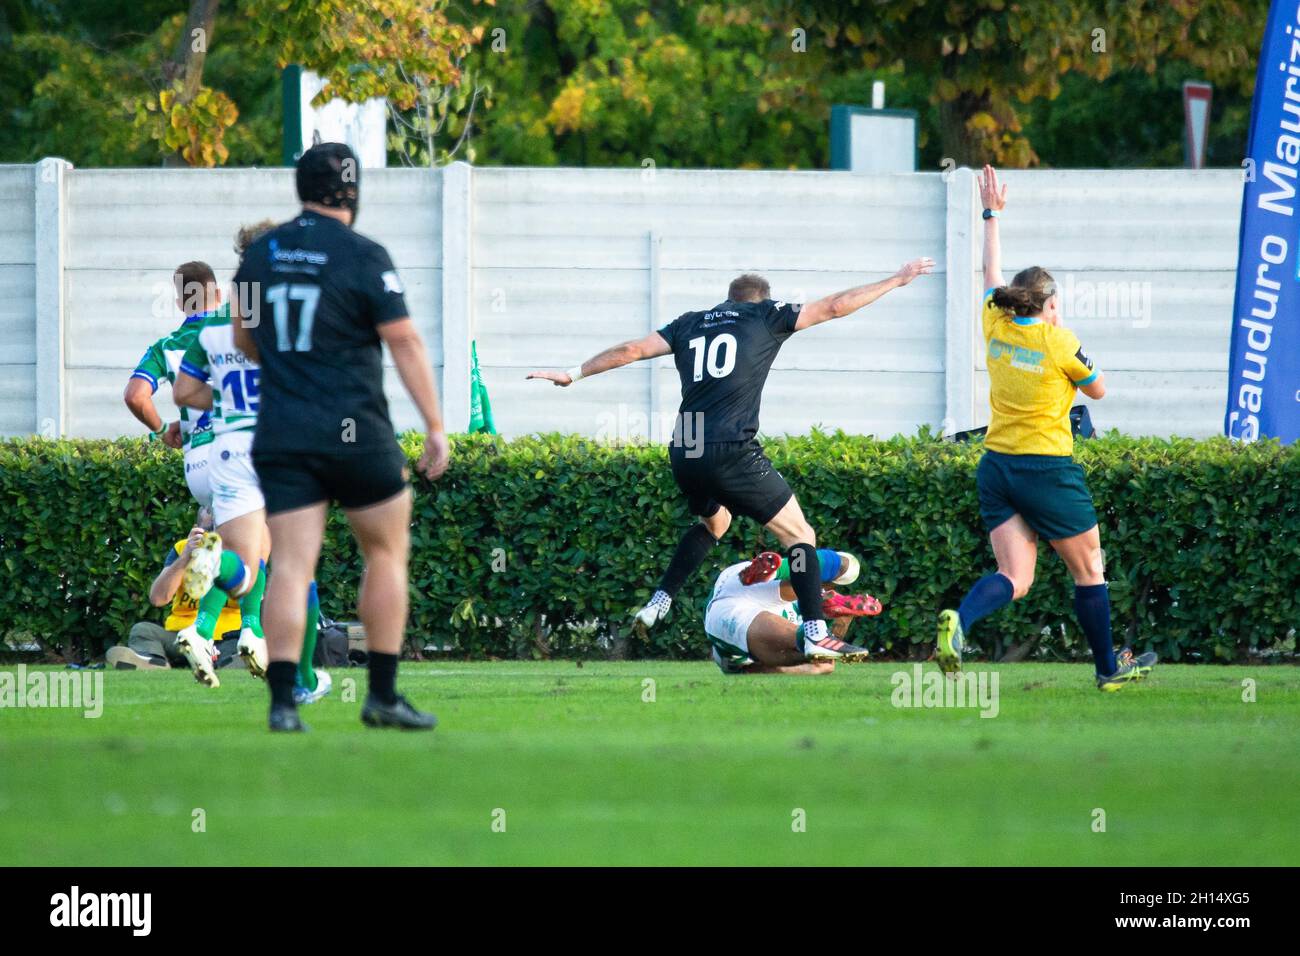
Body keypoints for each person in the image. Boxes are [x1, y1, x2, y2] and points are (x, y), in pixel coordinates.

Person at [529, 258, 933, 660]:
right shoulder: (766, 316)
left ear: (727, 300)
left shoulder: (690, 322)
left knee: (715, 522)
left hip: (685, 449)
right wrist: (896, 281)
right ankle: (814, 632)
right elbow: (833, 306)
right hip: (730, 448)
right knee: (799, 535)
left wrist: (573, 374)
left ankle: (660, 599)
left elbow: (632, 349)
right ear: (763, 301)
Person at [232, 142, 449, 732]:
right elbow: (404, 341)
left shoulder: (261, 255)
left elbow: (245, 342)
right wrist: (433, 425)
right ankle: (381, 695)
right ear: (355, 192)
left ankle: (281, 706)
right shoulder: (364, 255)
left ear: (300, 187)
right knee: (384, 551)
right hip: (358, 431)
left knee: (291, 566)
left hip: (283, 432)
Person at [935, 166, 1157, 692]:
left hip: (996, 467)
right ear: (1051, 305)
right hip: (1048, 469)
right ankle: (1107, 669)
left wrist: (991, 216)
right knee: (1090, 571)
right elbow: (1099, 390)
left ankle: (959, 624)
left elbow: (990, 274)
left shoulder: (995, 320)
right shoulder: (1058, 342)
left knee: (1016, 577)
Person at [173, 221, 330, 705]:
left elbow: (182, 393)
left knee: (247, 570)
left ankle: (213, 563)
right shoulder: (292, 311)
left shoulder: (220, 324)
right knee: (296, 569)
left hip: (230, 453)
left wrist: (227, 397)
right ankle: (301, 680)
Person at [123, 261, 220, 506]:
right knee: (260, 539)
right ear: (219, 295)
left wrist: (163, 430)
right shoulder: (239, 334)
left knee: (216, 535)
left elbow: (135, 396)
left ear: (180, 304)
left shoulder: (165, 347)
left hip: (198, 461)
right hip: (239, 451)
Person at [705, 549, 882, 675]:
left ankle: (782, 570)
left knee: (849, 568)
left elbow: (823, 657)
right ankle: (786, 574)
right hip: (732, 608)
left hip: (736, 592)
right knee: (816, 654)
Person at [107, 509, 242, 671]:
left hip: (225, 637)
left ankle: (228, 663)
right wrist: (185, 557)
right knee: (143, 630)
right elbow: (158, 598)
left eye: (219, 530)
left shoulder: (244, 552)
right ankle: (154, 662)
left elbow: (252, 599)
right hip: (182, 636)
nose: (213, 538)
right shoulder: (182, 549)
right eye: (208, 531)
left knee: (246, 641)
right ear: (196, 530)